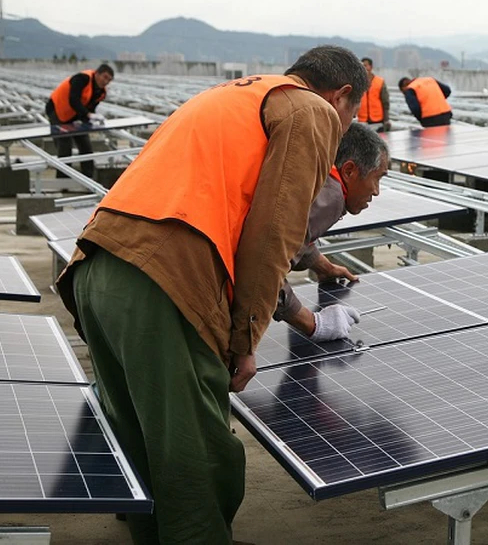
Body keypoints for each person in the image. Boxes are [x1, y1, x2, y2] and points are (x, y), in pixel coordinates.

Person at [55, 46, 369, 545]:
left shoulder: (237, 94)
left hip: (96, 265)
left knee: (139, 437)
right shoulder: (312, 109)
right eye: (351, 114)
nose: (345, 126)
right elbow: (273, 234)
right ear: (343, 94)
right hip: (163, 278)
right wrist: (245, 340)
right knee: (194, 454)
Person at [274, 122, 389, 336]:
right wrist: (313, 324)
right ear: (349, 171)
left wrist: (322, 266)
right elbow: (263, 267)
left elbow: (292, 235)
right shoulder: (331, 198)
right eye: (377, 178)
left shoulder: (318, 177)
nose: (376, 191)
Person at [46, 63, 114, 177]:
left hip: (75, 115)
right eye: (105, 77)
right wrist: (88, 115)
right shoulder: (82, 79)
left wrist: (90, 119)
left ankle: (88, 176)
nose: (106, 81)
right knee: (64, 145)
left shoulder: (101, 92)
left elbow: (90, 107)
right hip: (57, 109)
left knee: (85, 144)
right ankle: (63, 180)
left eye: (109, 80)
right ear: (97, 73)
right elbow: (74, 100)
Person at [357, 57, 391, 132]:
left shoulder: (380, 81)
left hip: (378, 119)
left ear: (371, 67)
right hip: (362, 119)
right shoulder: (357, 82)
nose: (364, 68)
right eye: (362, 66)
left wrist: (386, 119)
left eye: (366, 65)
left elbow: (385, 101)